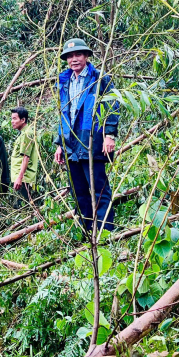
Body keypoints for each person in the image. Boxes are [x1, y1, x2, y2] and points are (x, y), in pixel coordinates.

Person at [54, 38, 120, 234]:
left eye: (78, 55)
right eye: (70, 56)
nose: (74, 59)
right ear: (66, 59)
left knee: (99, 191)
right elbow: (63, 113)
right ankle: (87, 233)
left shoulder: (100, 78)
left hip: (92, 141)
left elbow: (112, 106)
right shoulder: (63, 81)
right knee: (79, 192)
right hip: (71, 145)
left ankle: (105, 233)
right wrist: (60, 143)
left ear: (86, 56)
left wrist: (109, 135)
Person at [9, 106, 41, 206]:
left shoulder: (27, 134)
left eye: (15, 118)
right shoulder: (24, 133)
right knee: (20, 205)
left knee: (22, 207)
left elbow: (25, 158)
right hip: (21, 178)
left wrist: (20, 177)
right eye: (12, 118)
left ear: (23, 120)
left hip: (23, 179)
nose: (12, 121)